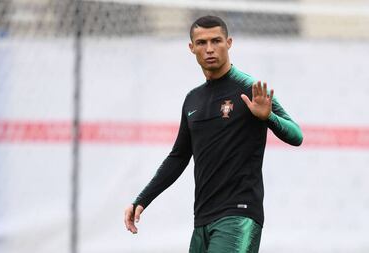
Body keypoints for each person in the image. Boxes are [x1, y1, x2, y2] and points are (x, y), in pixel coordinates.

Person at [124, 15, 303, 253]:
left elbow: (296, 135)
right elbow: (178, 157)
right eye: (202, 43)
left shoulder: (249, 88)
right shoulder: (192, 99)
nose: (209, 49)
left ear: (229, 43)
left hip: (239, 216)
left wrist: (267, 117)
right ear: (191, 48)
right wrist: (142, 199)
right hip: (202, 220)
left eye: (216, 41)